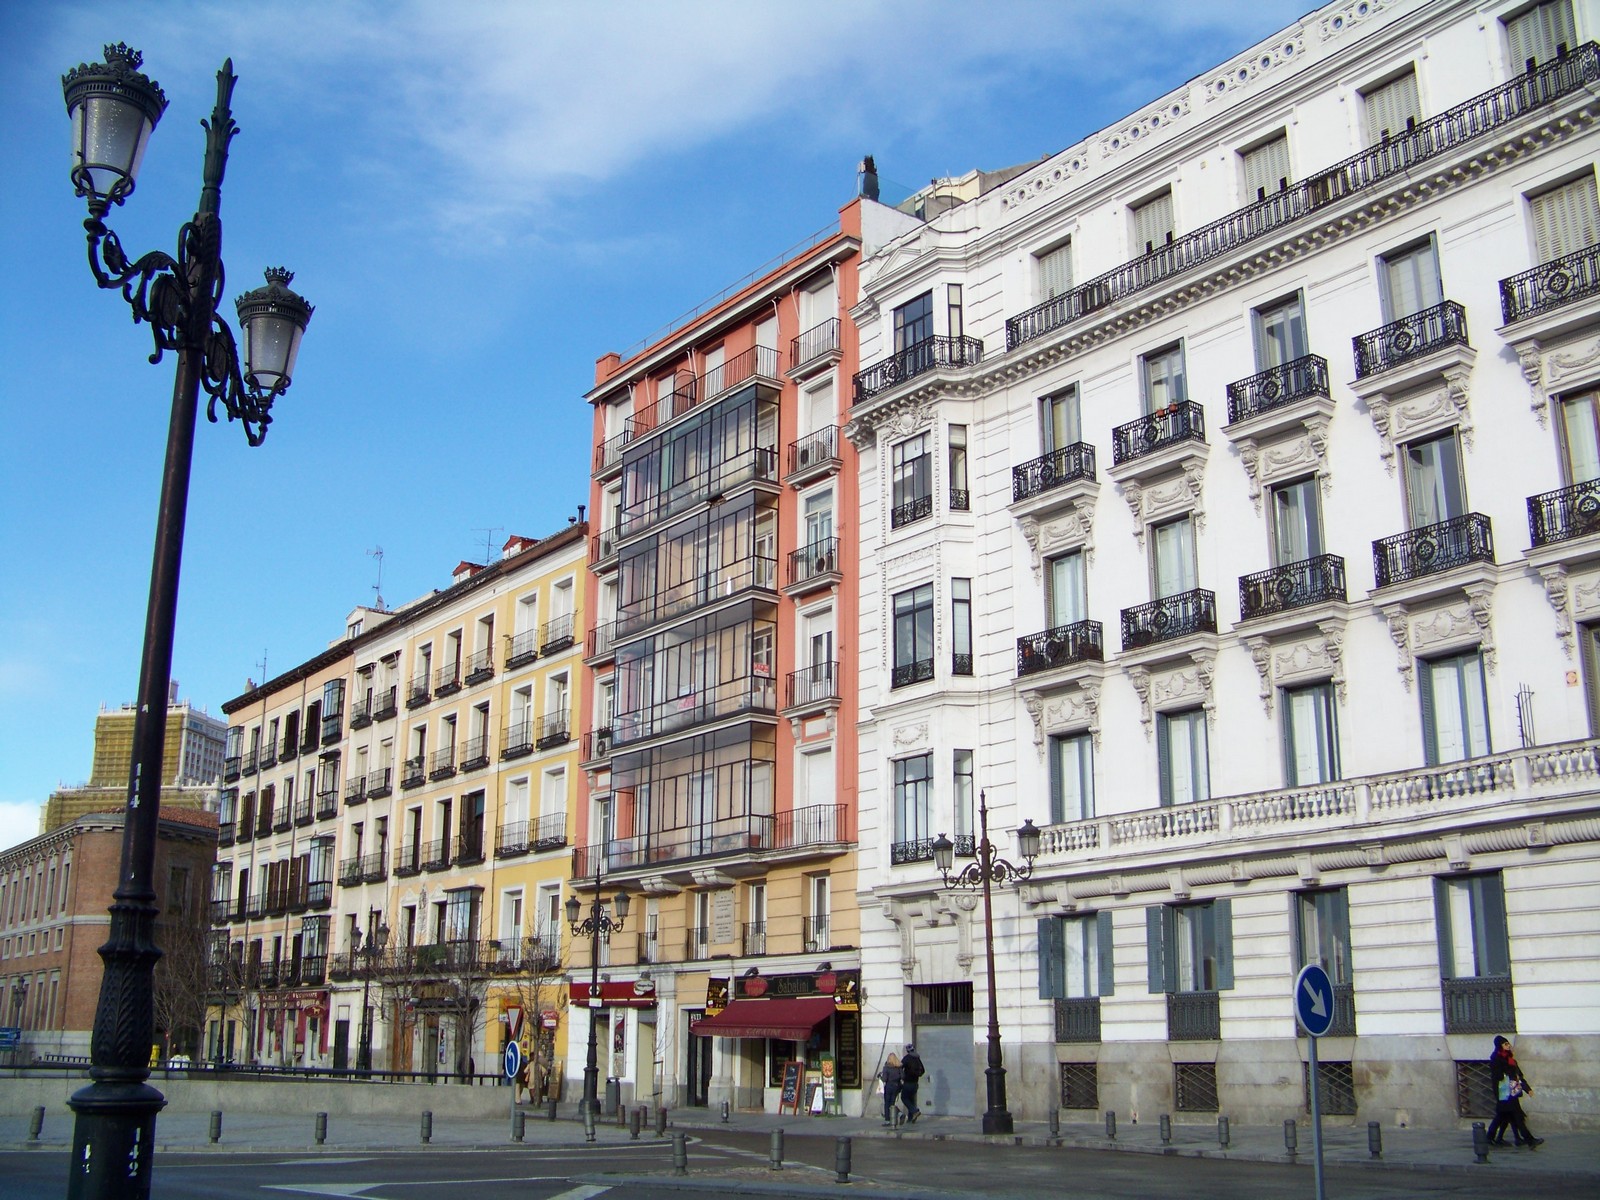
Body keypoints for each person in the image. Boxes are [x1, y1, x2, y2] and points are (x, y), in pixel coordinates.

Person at [1487, 1035, 1544, 1148]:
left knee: (1503, 1116)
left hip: (1513, 1090)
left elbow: (1519, 1075)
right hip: (1504, 1092)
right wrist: (1507, 1073)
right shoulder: (1496, 1058)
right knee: (1516, 1116)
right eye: (1505, 1044)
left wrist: (1527, 1089)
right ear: (1500, 1046)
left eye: (1508, 1044)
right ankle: (1529, 1140)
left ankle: (1491, 1138)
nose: (1508, 1046)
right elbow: (1497, 1077)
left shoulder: (1511, 1059)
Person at [900, 1043, 925, 1123]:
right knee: (911, 1100)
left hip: (908, 1082)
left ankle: (915, 1111)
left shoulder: (906, 1058)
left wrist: (902, 1076)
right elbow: (923, 1070)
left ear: (907, 1050)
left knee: (904, 1098)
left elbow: (900, 1066)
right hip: (915, 1083)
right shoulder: (917, 1058)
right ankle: (911, 1118)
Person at [879, 1052, 903, 1126]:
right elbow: (903, 1076)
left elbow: (884, 1079)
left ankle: (888, 1120)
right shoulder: (899, 1067)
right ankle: (899, 1114)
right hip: (896, 1086)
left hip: (889, 1086)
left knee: (887, 1103)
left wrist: (880, 1076)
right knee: (892, 1103)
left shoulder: (886, 1068)